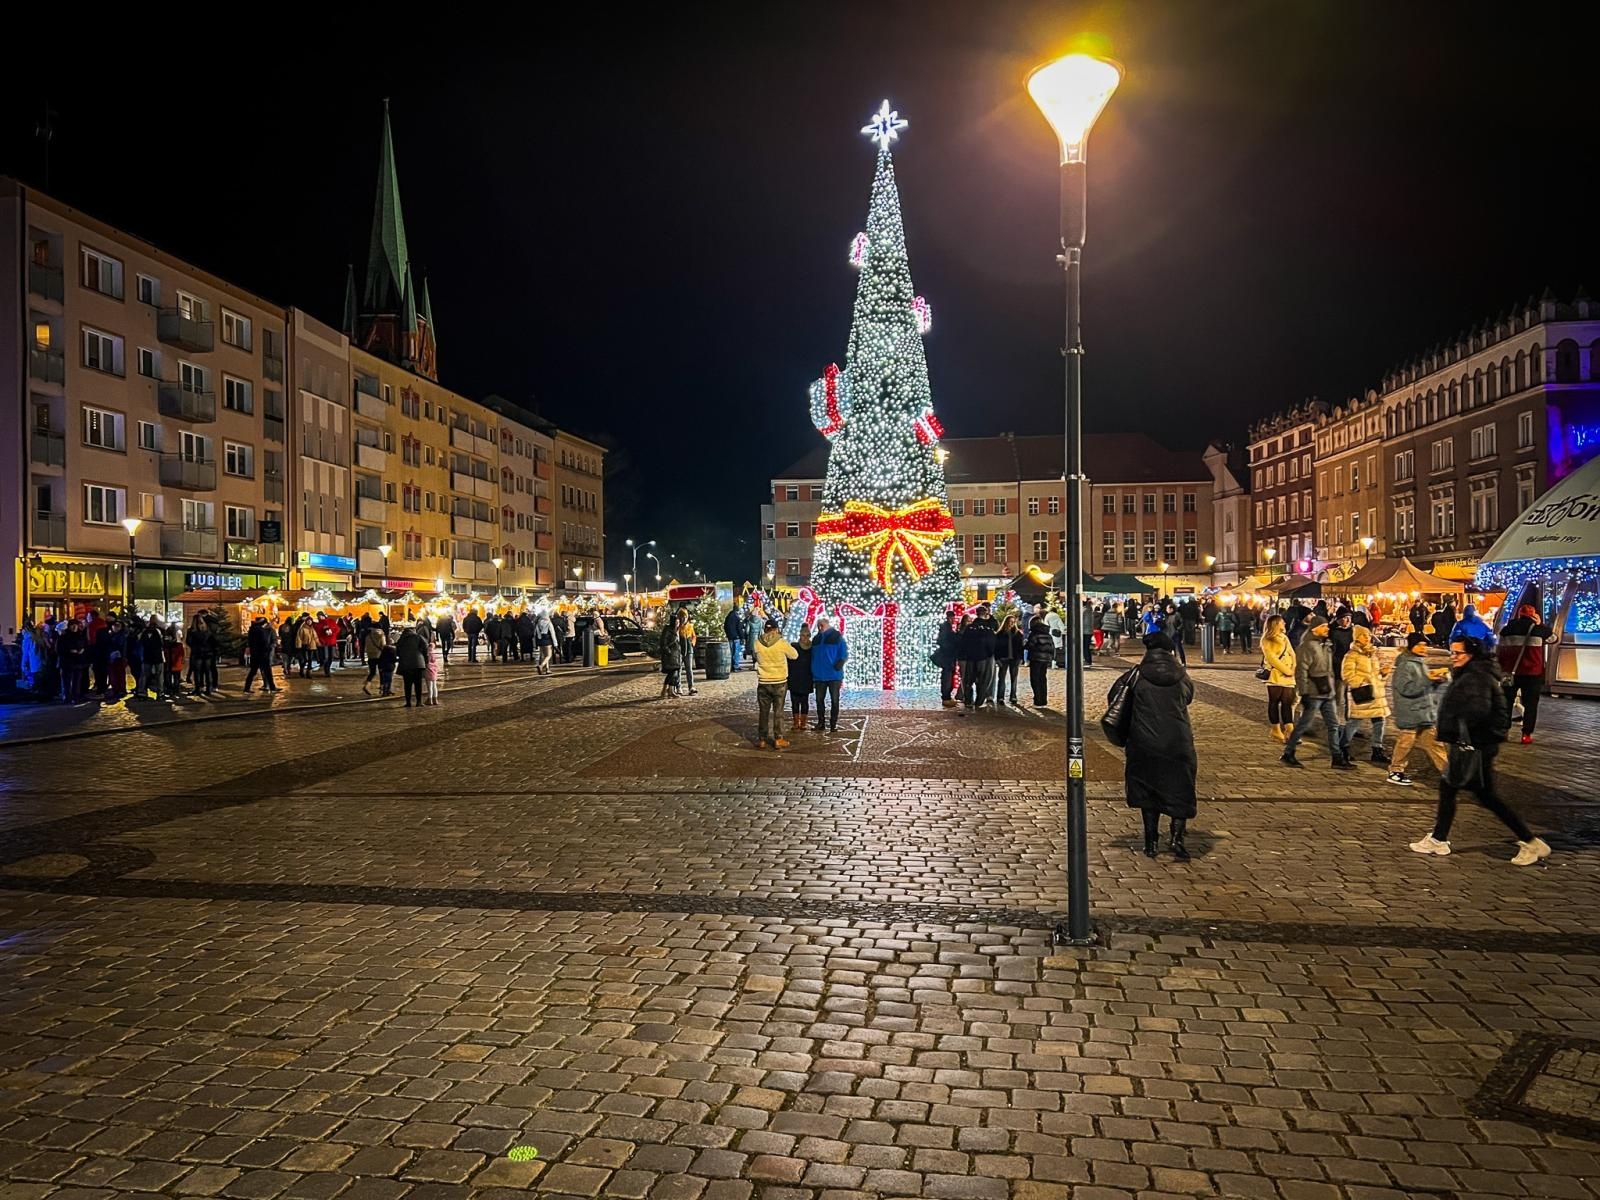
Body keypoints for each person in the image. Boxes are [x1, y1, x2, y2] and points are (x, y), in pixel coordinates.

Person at [1410, 637, 1550, 865]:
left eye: (1459, 653)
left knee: (1483, 795)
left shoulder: (1475, 677)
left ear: (1472, 654)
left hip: (1475, 745)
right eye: (1452, 652)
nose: (1454, 657)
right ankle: (1438, 838)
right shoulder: (1471, 673)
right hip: (1474, 744)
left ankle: (1531, 842)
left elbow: (1477, 711)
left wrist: (1460, 731)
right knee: (1456, 790)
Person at [1121, 632, 1198, 859]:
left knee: (1148, 791)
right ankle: (1176, 839)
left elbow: (1116, 699)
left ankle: (1151, 842)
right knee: (1181, 789)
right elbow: (1188, 697)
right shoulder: (1182, 676)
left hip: (1144, 742)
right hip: (1178, 741)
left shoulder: (1136, 675)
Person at [1280, 618, 1351, 769]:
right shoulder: (1307, 647)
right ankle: (1288, 753)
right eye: (1323, 626)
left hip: (1327, 693)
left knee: (1333, 725)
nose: (1327, 629)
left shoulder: (1326, 645)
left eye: (1327, 626)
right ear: (1314, 629)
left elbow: (1329, 671)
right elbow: (1301, 671)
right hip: (1313, 693)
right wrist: (1304, 692)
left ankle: (1336, 757)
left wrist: (1332, 689)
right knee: (1303, 725)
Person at [1387, 632, 1450, 786]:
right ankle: (1395, 771)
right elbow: (1406, 689)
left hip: (1423, 711)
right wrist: (1428, 679)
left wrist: (1437, 680)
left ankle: (1449, 773)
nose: (1423, 648)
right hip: (1411, 711)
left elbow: (1424, 685)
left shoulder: (1419, 662)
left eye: (1425, 645)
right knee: (1406, 742)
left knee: (1434, 743)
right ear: (1411, 646)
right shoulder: (1405, 665)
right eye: (1419, 645)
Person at [1497, 602, 1553, 744]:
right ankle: (1526, 734)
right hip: (1532, 674)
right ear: (1533, 615)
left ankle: (1504, 731)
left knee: (1506, 702)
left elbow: (1500, 651)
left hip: (1510, 673)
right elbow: (1554, 639)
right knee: (1530, 704)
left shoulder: (1506, 630)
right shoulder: (1539, 630)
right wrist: (1539, 624)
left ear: (1519, 614)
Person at [1340, 625, 1391, 764]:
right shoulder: (1351, 655)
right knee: (1354, 722)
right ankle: (1342, 748)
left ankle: (1377, 750)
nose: (1367, 638)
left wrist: (1383, 674)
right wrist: (1363, 682)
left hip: (1376, 694)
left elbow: (1375, 674)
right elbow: (1347, 675)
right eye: (1363, 635)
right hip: (1363, 693)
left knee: (1379, 721)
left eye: (1368, 635)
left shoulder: (1372, 654)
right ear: (1357, 638)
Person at [752, 618, 798, 749]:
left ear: (765, 629)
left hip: (763, 682)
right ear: (776, 629)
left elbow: (755, 656)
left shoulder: (757, 643)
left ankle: (762, 739)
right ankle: (778, 739)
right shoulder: (781, 642)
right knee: (778, 712)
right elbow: (794, 655)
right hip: (779, 682)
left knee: (763, 712)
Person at [1259, 614, 1297, 742]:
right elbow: (1272, 658)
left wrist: (1293, 667)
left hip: (1288, 676)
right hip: (1275, 674)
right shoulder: (1267, 639)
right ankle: (1275, 729)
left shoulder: (1284, 637)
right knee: (1274, 702)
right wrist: (1287, 670)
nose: (1284, 623)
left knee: (1287, 702)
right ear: (1275, 624)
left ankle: (1289, 729)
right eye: (1282, 622)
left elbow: (1292, 653)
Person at [810, 616, 848, 732]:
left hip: (833, 675)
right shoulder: (816, 639)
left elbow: (844, 653)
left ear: (827, 624)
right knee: (819, 700)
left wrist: (839, 664)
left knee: (834, 701)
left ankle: (833, 724)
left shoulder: (837, 637)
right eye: (818, 626)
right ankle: (821, 723)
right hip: (819, 675)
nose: (820, 627)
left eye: (822, 625)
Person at [958, 605, 997, 711]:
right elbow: (991, 644)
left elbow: (963, 643)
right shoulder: (988, 628)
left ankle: (968, 701)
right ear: (985, 613)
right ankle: (979, 701)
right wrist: (989, 654)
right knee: (982, 680)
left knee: (969, 680)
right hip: (983, 657)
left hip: (970, 657)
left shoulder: (969, 628)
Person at [56, 618, 90, 704]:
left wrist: (82, 650)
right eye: (72, 625)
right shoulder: (63, 637)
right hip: (66, 662)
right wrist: (69, 651)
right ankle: (67, 697)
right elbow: (59, 649)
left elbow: (86, 646)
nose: (74, 627)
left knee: (76, 681)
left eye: (76, 625)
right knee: (66, 681)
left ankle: (75, 697)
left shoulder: (81, 636)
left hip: (78, 661)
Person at [1329, 607, 1354, 721]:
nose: (1348, 620)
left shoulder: (1354, 632)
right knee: (1339, 697)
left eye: (1349, 617)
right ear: (1339, 620)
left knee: (1351, 697)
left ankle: (1348, 719)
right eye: (1345, 618)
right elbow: (1332, 653)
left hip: (1353, 669)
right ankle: (1337, 721)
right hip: (1339, 669)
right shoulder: (1334, 633)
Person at [243, 616, 279, 693]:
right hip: (262, 654)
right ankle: (272, 687)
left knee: (254, 671)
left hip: (257, 654)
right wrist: (269, 648)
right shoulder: (260, 631)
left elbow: (251, 642)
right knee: (266, 671)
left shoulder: (253, 630)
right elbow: (264, 642)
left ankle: (247, 688)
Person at [994, 614, 1024, 705]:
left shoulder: (1018, 634)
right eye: (1010, 622)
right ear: (1006, 622)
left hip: (1015, 658)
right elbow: (996, 647)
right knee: (1002, 678)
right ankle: (1000, 697)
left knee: (1014, 678)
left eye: (1013, 622)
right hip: (1003, 658)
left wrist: (1021, 658)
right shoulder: (1000, 634)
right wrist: (997, 658)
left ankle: (1013, 696)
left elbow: (1020, 647)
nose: (1012, 624)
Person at [788, 623, 814, 729]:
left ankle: (803, 723)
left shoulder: (812, 648)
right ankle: (795, 722)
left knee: (804, 701)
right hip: (794, 677)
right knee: (794, 701)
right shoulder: (794, 646)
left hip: (806, 678)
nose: (805, 638)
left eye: (807, 635)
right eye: (803, 635)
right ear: (800, 635)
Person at [395, 624, 427, 708]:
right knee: (418, 684)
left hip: (405, 665)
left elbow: (397, 651)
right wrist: (424, 658)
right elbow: (425, 647)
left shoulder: (402, 639)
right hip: (418, 664)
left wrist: (402, 655)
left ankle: (408, 702)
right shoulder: (418, 637)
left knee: (407, 685)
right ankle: (419, 702)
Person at [1026, 614, 1055, 707]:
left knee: (1035, 679)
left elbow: (1030, 645)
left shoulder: (1034, 633)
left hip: (1036, 658)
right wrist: (1051, 657)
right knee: (1042, 678)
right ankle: (1043, 699)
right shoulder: (1047, 633)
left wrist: (1025, 645)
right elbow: (1052, 646)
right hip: (1046, 659)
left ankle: (1037, 700)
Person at [187, 614, 218, 697]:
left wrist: (194, 647)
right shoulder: (207, 629)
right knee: (208, 671)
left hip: (197, 653)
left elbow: (188, 642)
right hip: (208, 653)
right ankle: (208, 689)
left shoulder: (192, 631)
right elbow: (213, 641)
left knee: (197, 672)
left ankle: (198, 689)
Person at [934, 613, 960, 708]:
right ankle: (946, 697)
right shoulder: (946, 627)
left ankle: (947, 696)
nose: (954, 620)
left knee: (948, 676)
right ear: (950, 618)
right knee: (947, 677)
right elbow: (943, 641)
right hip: (947, 657)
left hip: (949, 656)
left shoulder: (947, 627)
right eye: (953, 618)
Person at [658, 616, 683, 698]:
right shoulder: (668, 630)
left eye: (678, 622)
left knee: (674, 674)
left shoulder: (677, 630)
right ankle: (666, 691)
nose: (677, 623)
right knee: (672, 673)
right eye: (676, 622)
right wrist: (669, 652)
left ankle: (669, 691)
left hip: (676, 656)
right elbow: (663, 643)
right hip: (670, 656)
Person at [163, 628, 185, 698]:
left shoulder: (168, 645)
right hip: (172, 665)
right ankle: (173, 691)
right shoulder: (177, 645)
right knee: (173, 679)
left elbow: (181, 655)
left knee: (173, 679)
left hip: (172, 665)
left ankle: (172, 691)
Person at [724, 606, 746, 672]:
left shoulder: (727, 617)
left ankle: (731, 666)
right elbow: (739, 628)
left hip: (730, 637)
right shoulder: (737, 618)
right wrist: (742, 637)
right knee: (736, 652)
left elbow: (725, 627)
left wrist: (728, 634)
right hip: (736, 637)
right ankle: (736, 666)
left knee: (731, 652)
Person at [534, 608, 556, 675]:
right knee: (549, 655)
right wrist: (555, 643)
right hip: (547, 640)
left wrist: (536, 643)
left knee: (545, 656)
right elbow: (552, 633)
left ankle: (547, 669)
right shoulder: (549, 622)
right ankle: (541, 666)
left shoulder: (538, 623)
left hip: (540, 640)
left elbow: (535, 633)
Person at [425, 636, 443, 706]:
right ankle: (435, 699)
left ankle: (430, 699)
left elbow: (426, 663)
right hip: (434, 672)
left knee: (429, 687)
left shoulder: (427, 655)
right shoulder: (434, 655)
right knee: (434, 686)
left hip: (428, 672)